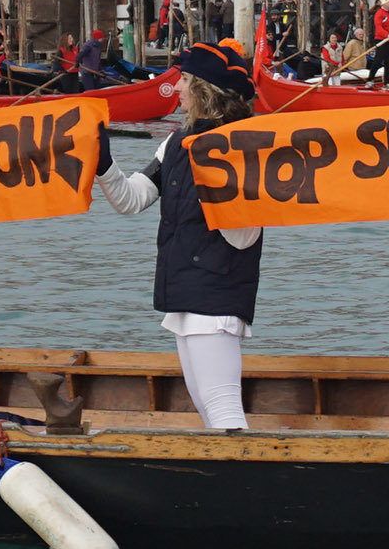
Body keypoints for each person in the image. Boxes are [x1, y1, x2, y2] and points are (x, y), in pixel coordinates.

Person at [101, 40, 266, 430]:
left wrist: (216, 178)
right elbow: (131, 198)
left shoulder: (242, 146)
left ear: (206, 90)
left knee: (223, 409)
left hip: (218, 293)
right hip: (183, 291)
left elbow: (244, 236)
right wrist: (103, 163)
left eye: (184, 80)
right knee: (209, 410)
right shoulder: (175, 143)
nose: (174, 88)